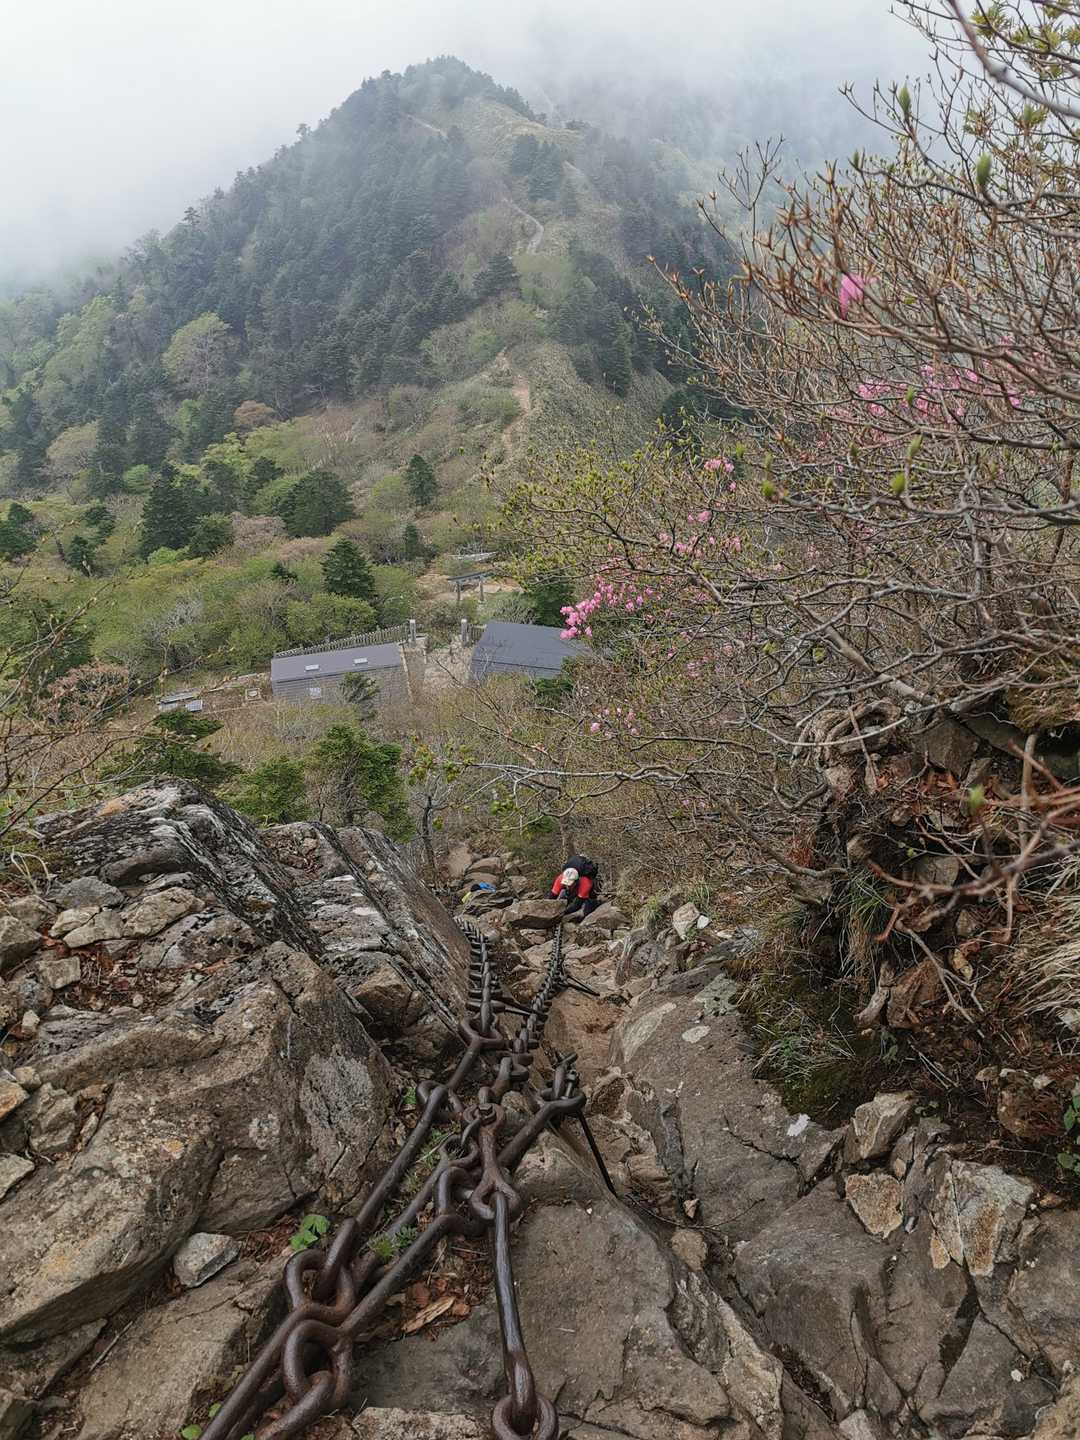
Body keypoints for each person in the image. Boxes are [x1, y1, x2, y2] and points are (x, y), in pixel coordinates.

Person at [551, 854, 600, 919]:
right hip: (573, 888)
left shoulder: (586, 883)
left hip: (589, 889)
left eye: (570, 883)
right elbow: (552, 896)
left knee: (589, 908)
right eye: (566, 883)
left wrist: (563, 913)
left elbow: (577, 905)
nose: (568, 885)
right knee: (564, 893)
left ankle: (596, 905)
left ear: (576, 881)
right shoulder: (560, 879)